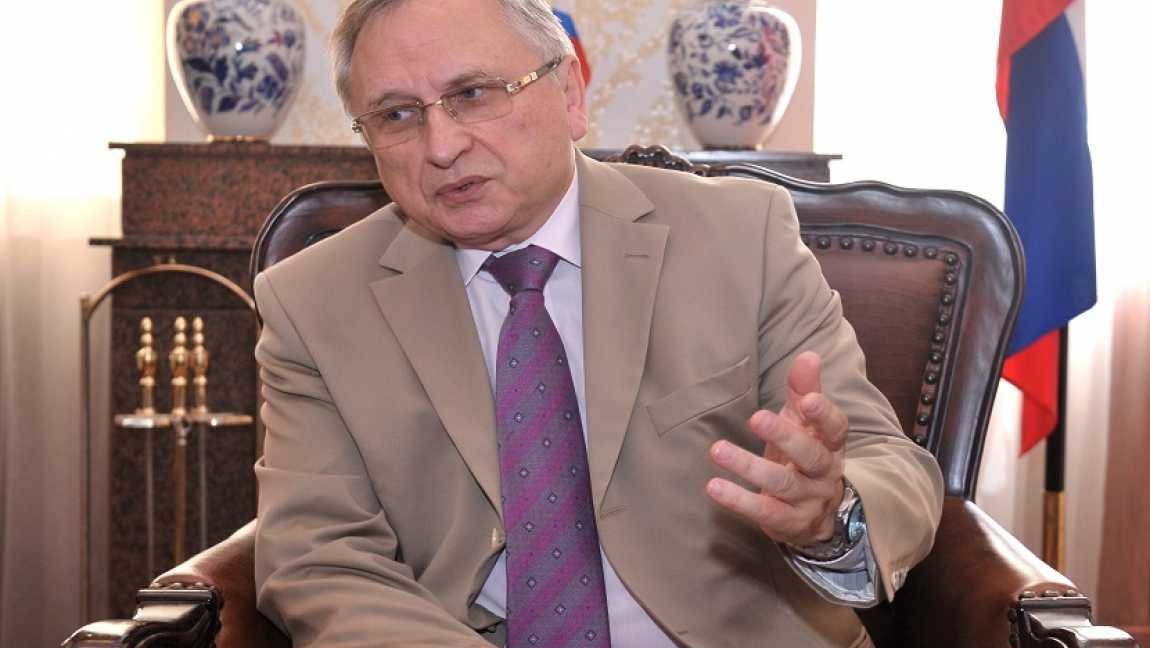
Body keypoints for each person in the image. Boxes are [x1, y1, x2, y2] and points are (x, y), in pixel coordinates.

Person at [251, 0, 944, 646]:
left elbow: (889, 463)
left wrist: (830, 519)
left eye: (474, 94)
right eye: (398, 114)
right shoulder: (314, 302)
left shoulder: (739, 233)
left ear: (570, 94)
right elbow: (319, 557)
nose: (441, 145)